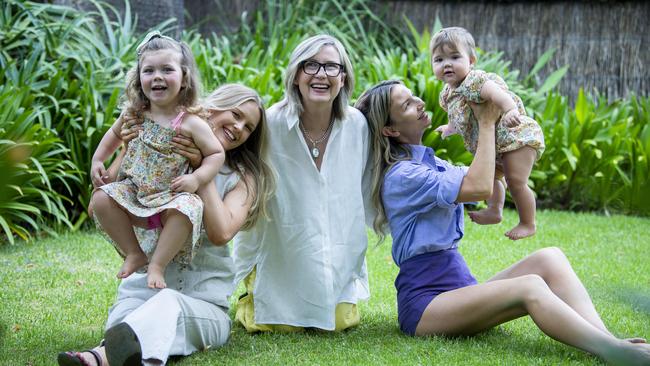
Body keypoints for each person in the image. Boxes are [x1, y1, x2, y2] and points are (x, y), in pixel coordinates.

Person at [355, 80, 650, 365]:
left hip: (460, 288)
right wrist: (485, 122)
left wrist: (504, 133)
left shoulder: (432, 163)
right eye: (407, 104)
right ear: (390, 129)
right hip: (427, 306)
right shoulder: (402, 176)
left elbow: (489, 177)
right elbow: (478, 187)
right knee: (529, 286)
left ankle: (611, 341)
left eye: (413, 96)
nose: (419, 102)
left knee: (550, 258)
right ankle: (611, 351)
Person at [57, 84, 274, 366]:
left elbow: (221, 232)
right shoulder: (159, 144)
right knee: (127, 325)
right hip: (141, 292)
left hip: (202, 305)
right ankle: (114, 356)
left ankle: (96, 358)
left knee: (166, 307)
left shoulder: (243, 177)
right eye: (235, 114)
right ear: (213, 107)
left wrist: (200, 171)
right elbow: (98, 205)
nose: (238, 127)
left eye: (248, 128)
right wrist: (129, 148)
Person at [233, 34, 372, 332]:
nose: (321, 74)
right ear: (296, 75)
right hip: (281, 255)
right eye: (311, 65)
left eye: (331, 67)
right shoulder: (270, 123)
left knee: (335, 323)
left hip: (336, 257)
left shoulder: (357, 124)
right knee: (278, 325)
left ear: (343, 77)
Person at [90, 31, 225, 289]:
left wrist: (196, 178)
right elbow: (113, 136)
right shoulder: (134, 113)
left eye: (167, 69)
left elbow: (216, 153)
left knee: (189, 207)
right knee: (100, 198)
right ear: (139, 78)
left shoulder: (190, 122)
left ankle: (157, 265)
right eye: (149, 71)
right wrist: (98, 159)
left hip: (169, 197)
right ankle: (134, 252)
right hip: (133, 192)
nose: (157, 77)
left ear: (184, 78)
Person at [431, 26, 545, 240]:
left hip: (516, 137)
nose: (447, 64)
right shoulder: (448, 93)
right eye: (439, 60)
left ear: (471, 60)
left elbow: (498, 94)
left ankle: (528, 223)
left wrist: (510, 109)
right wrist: (450, 128)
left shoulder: (476, 81)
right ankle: (495, 210)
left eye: (455, 57)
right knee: (490, 177)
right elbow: (456, 114)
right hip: (496, 146)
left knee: (515, 180)